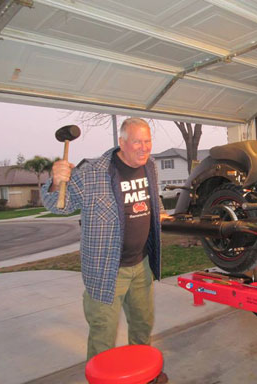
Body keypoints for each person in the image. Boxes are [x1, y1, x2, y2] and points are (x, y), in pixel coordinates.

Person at [42, 117, 170, 383]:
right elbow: (58, 205)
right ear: (122, 143)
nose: (144, 148)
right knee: (103, 335)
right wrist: (56, 181)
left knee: (142, 327)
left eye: (147, 141)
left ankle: (143, 374)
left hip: (142, 265)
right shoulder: (94, 171)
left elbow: (151, 196)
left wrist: (160, 211)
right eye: (137, 141)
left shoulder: (150, 166)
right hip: (106, 270)